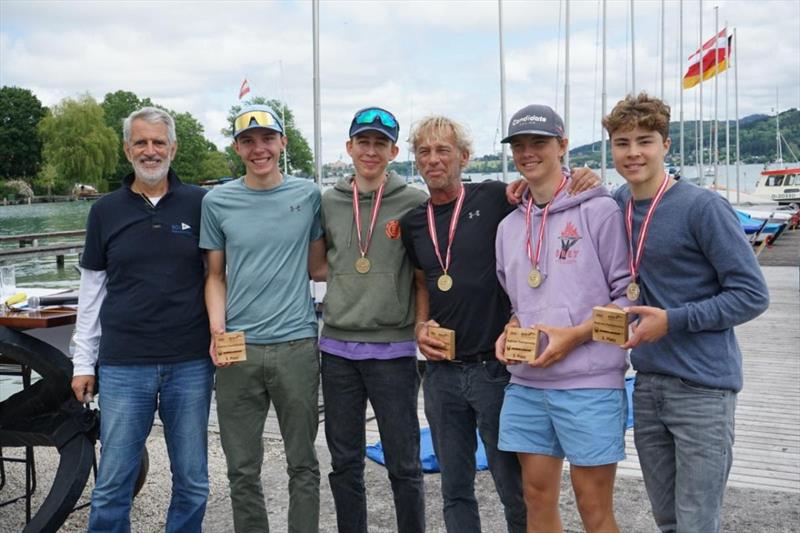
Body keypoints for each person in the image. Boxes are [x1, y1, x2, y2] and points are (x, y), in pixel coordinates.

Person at [603, 93, 770, 532]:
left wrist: (673, 319)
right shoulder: (618, 202)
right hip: (648, 384)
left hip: (704, 388)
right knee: (669, 521)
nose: (633, 152)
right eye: (622, 143)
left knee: (698, 523)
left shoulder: (702, 207)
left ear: (666, 145)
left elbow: (752, 294)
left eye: (645, 140)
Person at [71, 106, 214, 532]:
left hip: (190, 362)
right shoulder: (104, 211)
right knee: (114, 482)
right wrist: (82, 362)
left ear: (173, 146)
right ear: (127, 148)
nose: (150, 151)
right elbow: (91, 292)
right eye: (141, 142)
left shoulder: (202, 203)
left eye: (158, 142)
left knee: (192, 480)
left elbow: (218, 277)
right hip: (122, 365)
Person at [494, 104, 632, 533]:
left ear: (563, 146)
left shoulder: (599, 210)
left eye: (540, 143)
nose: (528, 152)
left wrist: (574, 336)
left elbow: (629, 302)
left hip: (589, 383)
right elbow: (519, 302)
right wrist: (510, 330)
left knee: (593, 508)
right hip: (527, 383)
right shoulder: (508, 226)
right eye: (519, 145)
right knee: (536, 501)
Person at [200, 104, 325, 533]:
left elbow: (318, 266)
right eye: (249, 142)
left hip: (297, 346)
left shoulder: (307, 195)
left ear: (282, 143)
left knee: (303, 463)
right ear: (237, 149)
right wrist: (218, 330)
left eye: (267, 139)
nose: (259, 149)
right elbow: (215, 277)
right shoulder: (217, 201)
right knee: (241, 468)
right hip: (239, 349)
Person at [319, 107, 427, 532]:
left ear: (393, 151)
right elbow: (318, 263)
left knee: (404, 462)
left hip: (394, 350)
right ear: (349, 148)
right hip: (337, 350)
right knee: (344, 463)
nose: (370, 150)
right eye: (362, 142)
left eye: (380, 143)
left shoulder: (413, 201)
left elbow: (423, 274)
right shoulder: (328, 201)